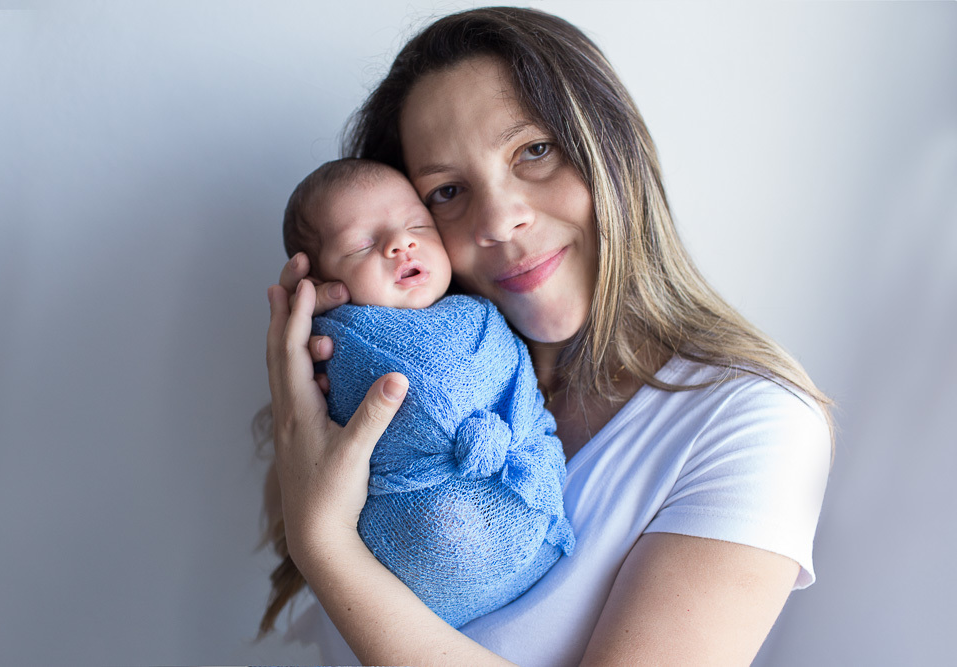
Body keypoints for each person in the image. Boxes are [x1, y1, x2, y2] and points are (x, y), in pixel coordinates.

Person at [263, 6, 833, 665]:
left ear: (612, 153)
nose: (501, 219)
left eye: (534, 151)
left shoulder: (754, 422)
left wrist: (324, 544)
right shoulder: (368, 411)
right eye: (446, 190)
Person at [258, 157, 574, 632]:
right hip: (418, 554)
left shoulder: (479, 315)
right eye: (363, 244)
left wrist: (319, 541)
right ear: (326, 288)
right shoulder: (336, 345)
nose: (400, 243)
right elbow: (430, 396)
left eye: (417, 225)